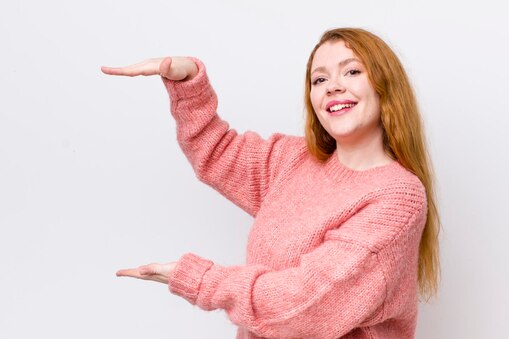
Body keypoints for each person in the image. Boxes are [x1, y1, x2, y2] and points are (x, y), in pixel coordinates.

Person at [102, 27, 440, 339]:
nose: (333, 86)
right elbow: (216, 152)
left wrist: (200, 279)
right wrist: (189, 82)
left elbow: (303, 304)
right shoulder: (293, 161)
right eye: (319, 79)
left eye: (352, 71)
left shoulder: (399, 198)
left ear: (385, 85)